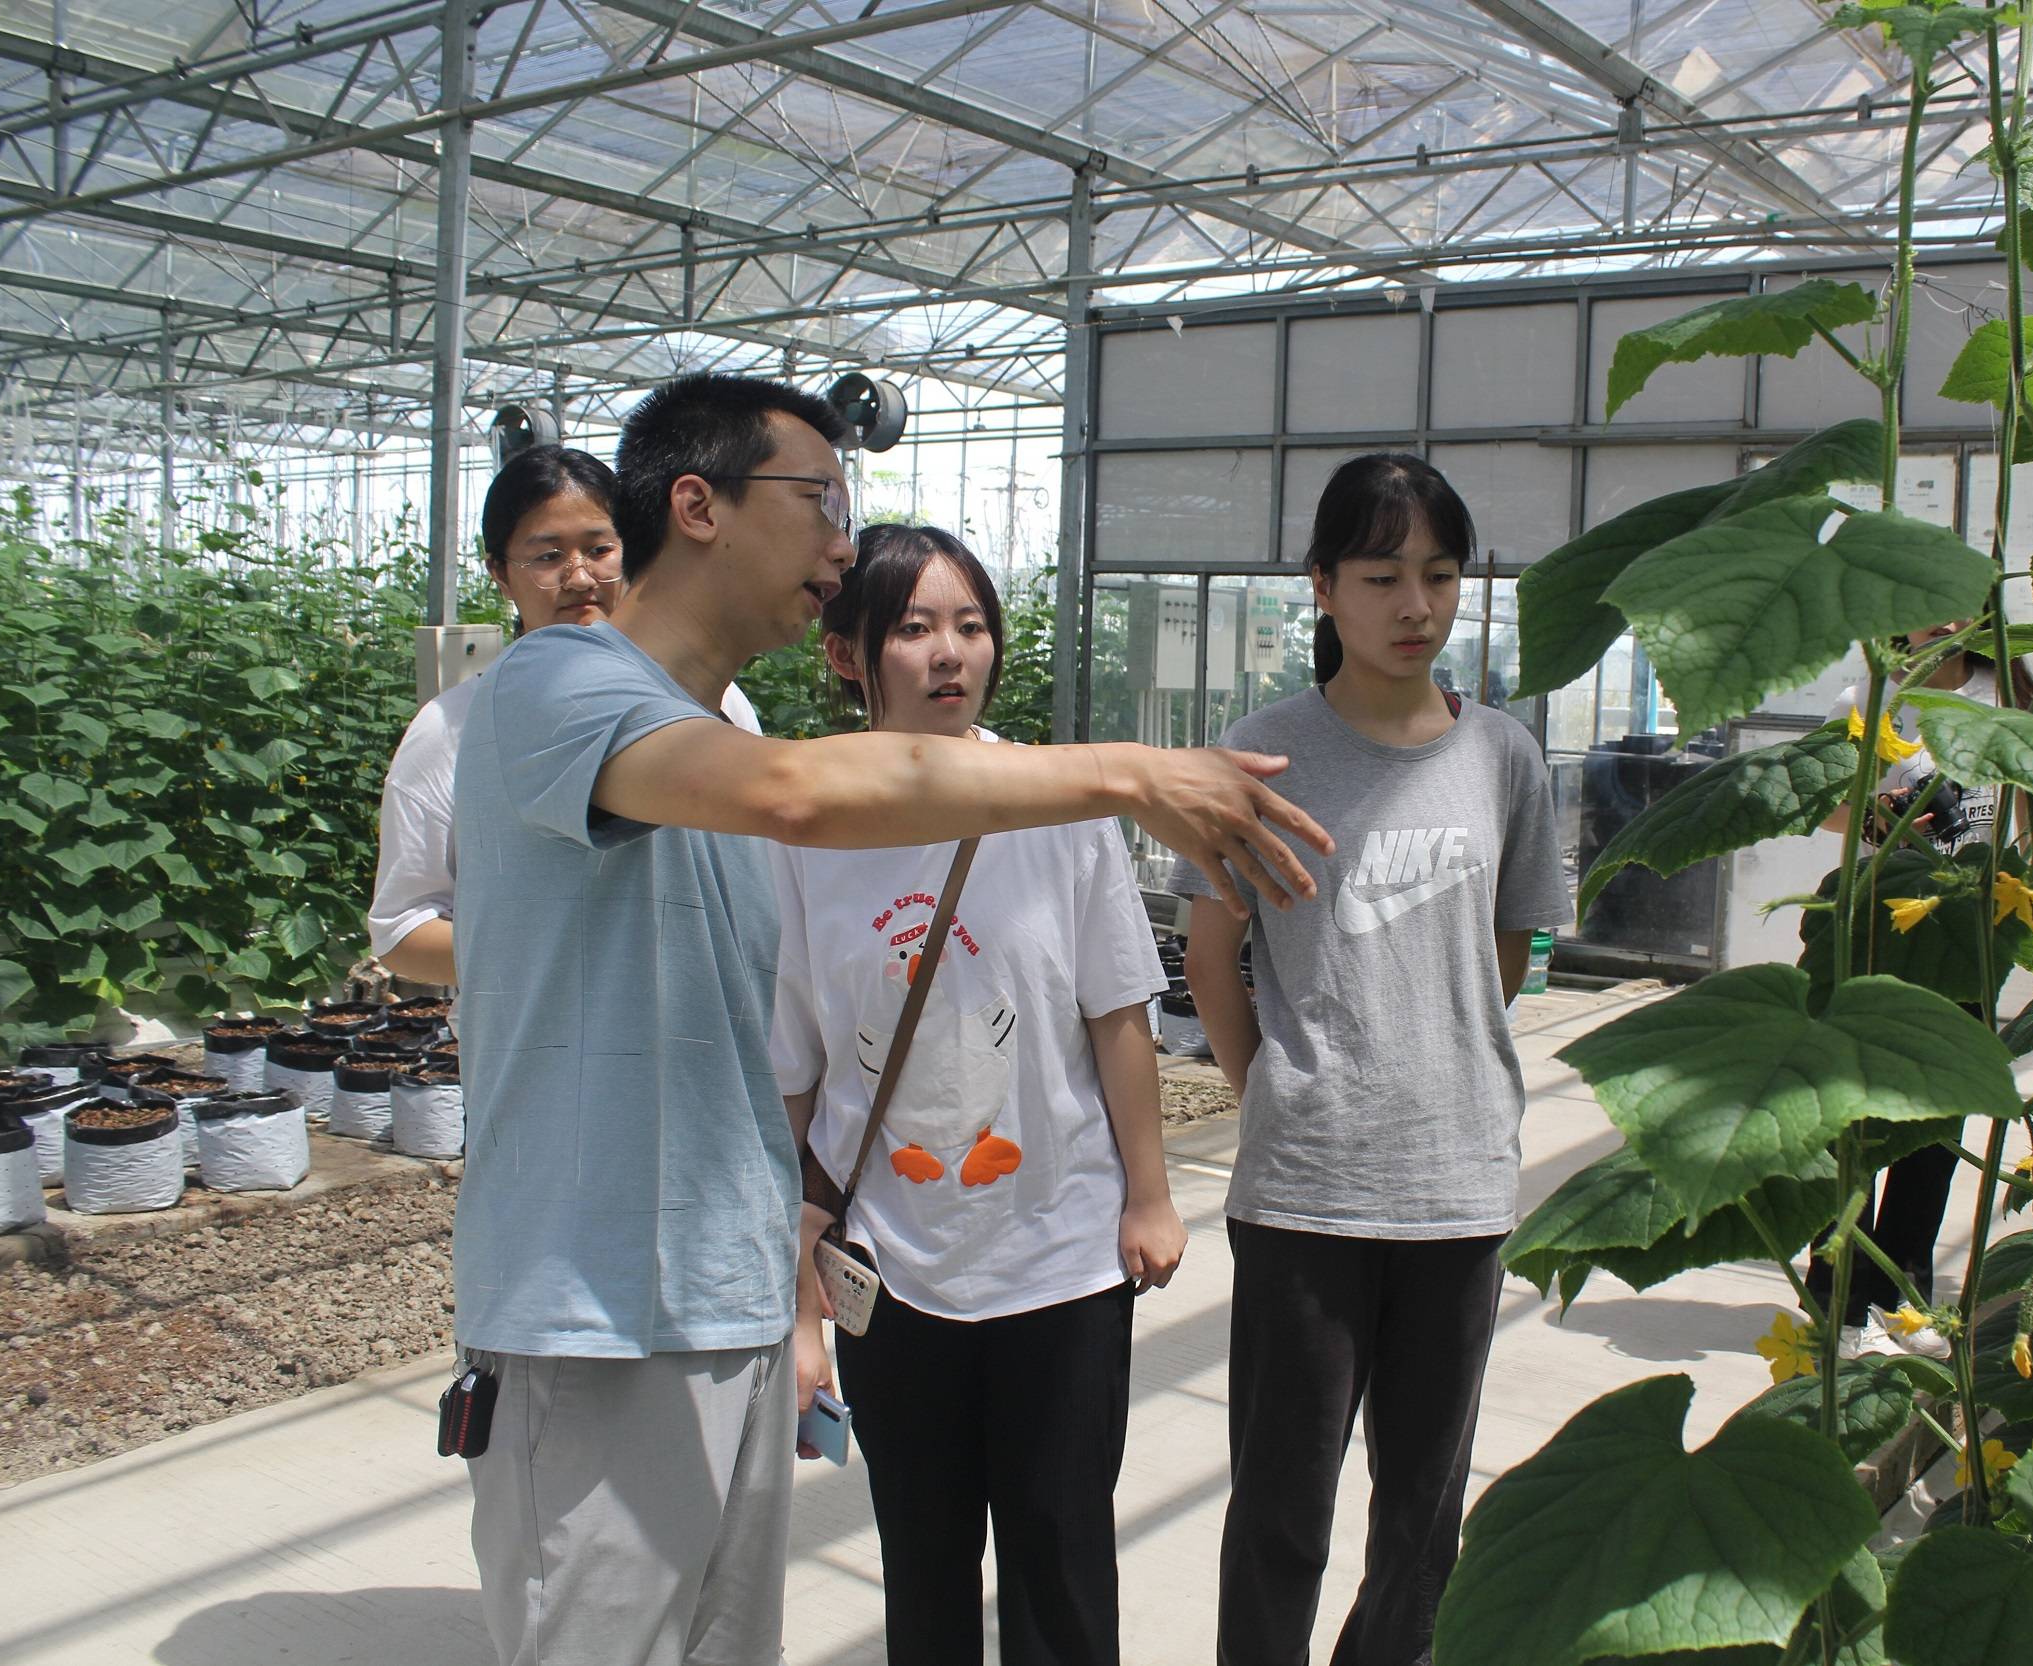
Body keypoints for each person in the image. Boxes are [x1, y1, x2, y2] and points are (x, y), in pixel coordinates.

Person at [449, 372, 1331, 1666]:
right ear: (697, 505)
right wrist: (1130, 772)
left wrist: (792, 1286)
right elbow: (806, 797)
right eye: (817, 499)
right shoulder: (557, 688)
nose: (841, 542)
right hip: (598, 1322)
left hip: (724, 1310)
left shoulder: (724, 723)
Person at [767, 524, 1184, 1666]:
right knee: (926, 1568)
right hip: (892, 1267)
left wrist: (1148, 1195)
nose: (951, 653)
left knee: (1061, 1563)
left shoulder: (1060, 803)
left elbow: (1116, 1012)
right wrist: (794, 1279)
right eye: (913, 628)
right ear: (849, 654)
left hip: (1057, 1255)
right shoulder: (805, 826)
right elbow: (794, 1062)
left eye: (971, 625)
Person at [1178, 454, 1568, 1666]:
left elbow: (1505, 955)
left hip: (1457, 1187)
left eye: (1440, 575)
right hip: (1304, 1194)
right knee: (1280, 1515)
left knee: (1421, 1525)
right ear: (1322, 589)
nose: (1416, 605)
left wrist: (1434, 1057)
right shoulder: (1260, 752)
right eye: (1382, 574)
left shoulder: (1502, 756)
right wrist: (1275, 1090)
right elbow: (1211, 957)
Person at [365, 445, 762, 988]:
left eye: (600, 549)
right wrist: (560, 958)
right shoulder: (452, 728)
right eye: (547, 557)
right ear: (501, 574)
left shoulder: (717, 702)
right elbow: (403, 930)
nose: (580, 578)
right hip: (541, 1048)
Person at [1811, 619, 2033, 1350]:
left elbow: (2029, 808)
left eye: (1953, 616)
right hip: (1880, 927)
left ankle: (1902, 1298)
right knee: (1852, 1121)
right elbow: (1823, 805)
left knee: (1934, 1130)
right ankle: (1838, 1304)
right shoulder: (1869, 699)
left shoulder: (2004, 700)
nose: (1937, 630)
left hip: (1968, 936)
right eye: (1920, 616)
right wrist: (1885, 825)